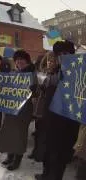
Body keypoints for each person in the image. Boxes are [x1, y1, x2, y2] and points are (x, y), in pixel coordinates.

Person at [35, 40, 80, 180]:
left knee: (60, 153)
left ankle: (54, 177)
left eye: (65, 53)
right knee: (48, 149)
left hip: (67, 121)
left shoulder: (77, 71)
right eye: (59, 54)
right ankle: (46, 173)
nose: (62, 56)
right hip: (50, 118)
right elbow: (45, 90)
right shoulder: (52, 72)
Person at [0, 50, 37, 171]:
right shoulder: (14, 72)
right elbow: (7, 87)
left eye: (21, 59)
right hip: (12, 108)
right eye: (17, 59)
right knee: (9, 132)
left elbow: (37, 93)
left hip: (24, 110)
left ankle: (17, 160)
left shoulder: (32, 73)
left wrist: (33, 90)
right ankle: (10, 156)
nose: (19, 61)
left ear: (27, 60)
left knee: (20, 135)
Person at [29, 52, 57, 162]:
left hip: (49, 107)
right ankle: (36, 151)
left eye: (53, 61)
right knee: (38, 130)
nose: (50, 63)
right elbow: (37, 89)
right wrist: (34, 89)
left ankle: (41, 153)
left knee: (45, 133)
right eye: (49, 61)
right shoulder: (42, 72)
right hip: (39, 106)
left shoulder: (57, 74)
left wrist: (46, 90)